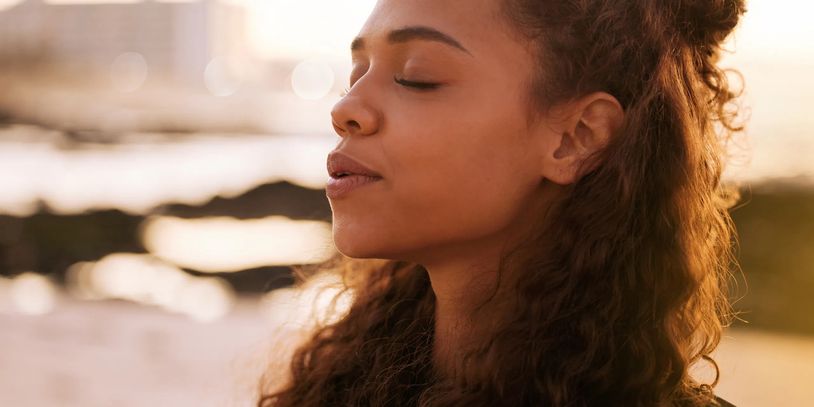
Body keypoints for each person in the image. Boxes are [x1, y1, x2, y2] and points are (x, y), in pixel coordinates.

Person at [258, 0, 746, 405]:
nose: (344, 109)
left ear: (577, 137)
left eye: (416, 76)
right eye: (357, 73)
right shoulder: (340, 387)